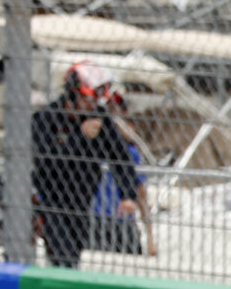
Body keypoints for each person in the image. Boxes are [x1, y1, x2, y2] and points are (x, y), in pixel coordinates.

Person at [33, 68, 148, 270]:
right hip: (50, 198)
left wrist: (128, 195)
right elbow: (47, 164)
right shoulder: (46, 118)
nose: (93, 105)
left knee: (74, 254)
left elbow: (120, 157)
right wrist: (80, 137)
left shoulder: (99, 118)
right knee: (63, 254)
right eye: (88, 99)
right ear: (73, 95)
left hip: (82, 199)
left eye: (96, 100)